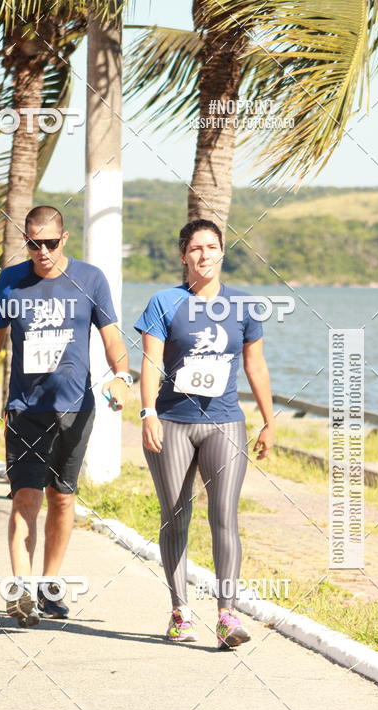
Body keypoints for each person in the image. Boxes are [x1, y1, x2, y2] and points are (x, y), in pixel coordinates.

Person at [0, 205, 131, 626]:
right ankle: (21, 591)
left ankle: (49, 588)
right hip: (25, 410)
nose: (42, 252)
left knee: (63, 497)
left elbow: (111, 336)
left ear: (63, 239)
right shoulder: (11, 281)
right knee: (26, 497)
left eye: (50, 243)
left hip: (76, 409)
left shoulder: (90, 279)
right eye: (33, 244)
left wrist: (122, 375)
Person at [135, 218, 275, 649]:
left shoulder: (245, 305)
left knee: (224, 516)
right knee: (176, 515)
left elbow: (255, 366)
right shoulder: (164, 302)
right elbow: (151, 363)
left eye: (212, 247)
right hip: (173, 422)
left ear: (222, 252)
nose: (205, 255)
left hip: (226, 422)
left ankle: (227, 615)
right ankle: (180, 611)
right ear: (184, 256)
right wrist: (147, 413)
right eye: (196, 249)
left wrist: (270, 420)